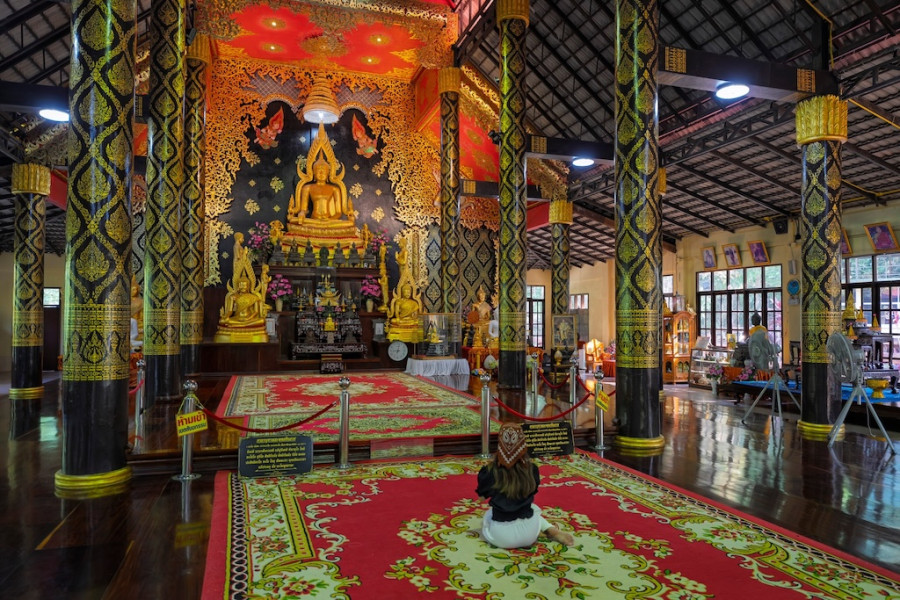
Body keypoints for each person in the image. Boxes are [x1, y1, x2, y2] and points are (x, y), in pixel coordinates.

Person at [476, 423, 574, 549]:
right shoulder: (532, 470)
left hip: (502, 538)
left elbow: (481, 498)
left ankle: (544, 531)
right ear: (523, 444)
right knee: (533, 508)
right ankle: (549, 529)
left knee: (488, 515)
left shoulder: (490, 471)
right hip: (529, 534)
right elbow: (531, 492)